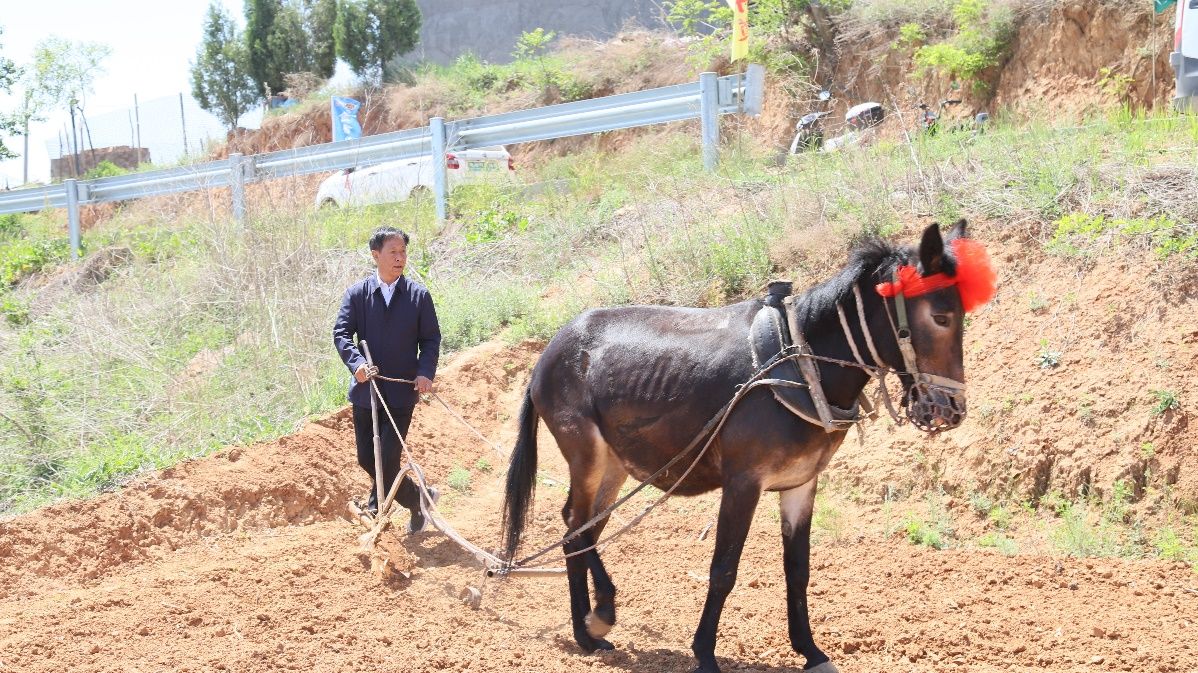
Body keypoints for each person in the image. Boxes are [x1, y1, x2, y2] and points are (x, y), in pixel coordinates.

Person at [333, 226, 442, 532]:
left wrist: (424, 373)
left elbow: (431, 339)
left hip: (401, 394)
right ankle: (421, 498)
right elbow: (341, 333)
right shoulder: (357, 295)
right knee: (368, 459)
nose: (399, 258)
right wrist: (356, 363)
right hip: (366, 392)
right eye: (393, 252)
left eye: (403, 252)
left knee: (387, 459)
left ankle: (377, 510)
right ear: (375, 255)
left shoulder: (418, 297)